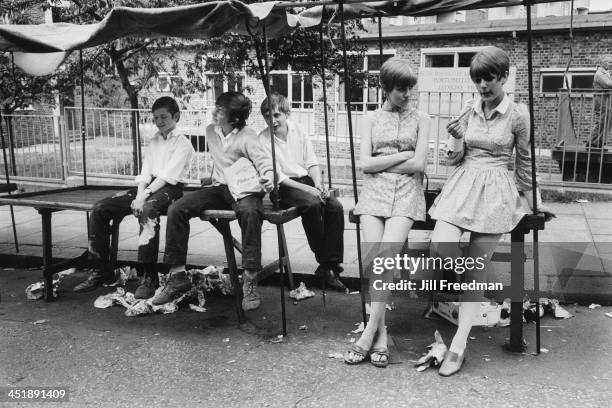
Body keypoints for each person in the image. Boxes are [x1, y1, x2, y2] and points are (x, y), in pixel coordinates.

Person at [428, 46, 554, 377]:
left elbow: (524, 163)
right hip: (463, 185)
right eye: (478, 79)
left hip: (497, 190)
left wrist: (532, 202)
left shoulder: (518, 114)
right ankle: (464, 298)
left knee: (476, 270)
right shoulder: (468, 110)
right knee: (440, 248)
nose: (483, 86)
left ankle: (459, 344)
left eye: (489, 78)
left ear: (504, 76)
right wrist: (454, 141)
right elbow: (453, 160)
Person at [344, 57, 430, 367]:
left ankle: (369, 332)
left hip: (407, 194)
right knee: (374, 261)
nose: (406, 94)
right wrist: (404, 153)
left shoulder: (422, 118)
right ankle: (381, 335)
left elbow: (419, 165)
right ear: (385, 88)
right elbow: (365, 164)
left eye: (409, 88)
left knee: (386, 257)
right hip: (374, 193)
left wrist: (394, 160)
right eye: (400, 89)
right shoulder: (369, 119)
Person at [153, 91, 274, 311]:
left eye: (220, 110)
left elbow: (265, 165)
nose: (214, 112)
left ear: (234, 117)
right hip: (220, 189)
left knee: (250, 213)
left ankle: (249, 278)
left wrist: (268, 179)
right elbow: (221, 160)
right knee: (177, 208)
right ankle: (178, 274)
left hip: (246, 191)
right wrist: (212, 176)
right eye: (216, 107)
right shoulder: (210, 131)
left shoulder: (249, 136)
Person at [74, 96, 195, 298]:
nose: (159, 122)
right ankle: (101, 269)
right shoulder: (154, 140)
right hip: (148, 188)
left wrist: (144, 198)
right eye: (155, 118)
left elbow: (167, 176)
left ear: (176, 116)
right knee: (100, 208)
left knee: (147, 211)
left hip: (170, 189)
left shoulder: (183, 144)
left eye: (164, 117)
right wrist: (140, 194)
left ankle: (149, 275)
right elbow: (145, 172)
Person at [258, 93, 346, 290]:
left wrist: (318, 185)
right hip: (283, 187)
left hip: (305, 180)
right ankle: (326, 263)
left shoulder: (299, 130)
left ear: (287, 114)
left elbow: (311, 160)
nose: (271, 120)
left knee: (335, 206)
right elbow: (278, 176)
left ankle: (328, 264)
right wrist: (309, 190)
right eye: (266, 116)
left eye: (276, 115)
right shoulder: (263, 140)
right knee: (312, 204)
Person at [590, 55, 612, 148]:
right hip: (601, 101)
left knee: (606, 121)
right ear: (602, 63)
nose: (611, 64)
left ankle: (599, 142)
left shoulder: (605, 72)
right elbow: (608, 84)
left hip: (605, 101)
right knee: (601, 121)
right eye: (609, 62)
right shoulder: (599, 74)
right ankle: (592, 142)